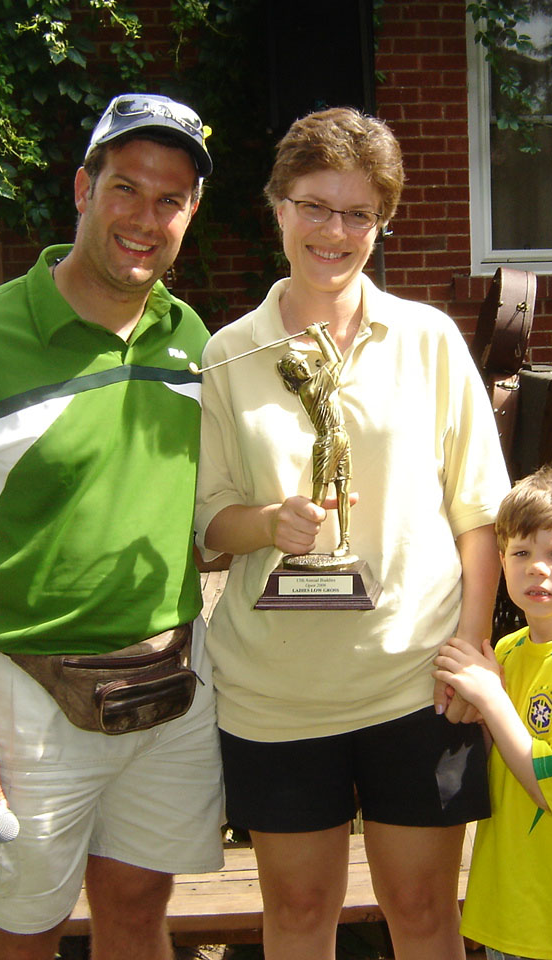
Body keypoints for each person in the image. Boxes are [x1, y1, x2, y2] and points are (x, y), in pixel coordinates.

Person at [0, 93, 224, 960]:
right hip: (22, 695)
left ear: (191, 213)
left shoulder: (192, 339)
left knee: (138, 911)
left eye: (170, 199)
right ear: (81, 189)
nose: (145, 219)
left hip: (167, 680)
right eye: (125, 188)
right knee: (23, 933)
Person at [194, 107, 511, 960]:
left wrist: (472, 648)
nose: (333, 232)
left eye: (358, 213)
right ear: (278, 206)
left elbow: (480, 509)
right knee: (298, 917)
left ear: (382, 223)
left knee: (424, 912)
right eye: (314, 206)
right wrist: (268, 523)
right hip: (276, 692)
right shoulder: (229, 354)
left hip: (417, 682)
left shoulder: (428, 340)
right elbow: (208, 521)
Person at [433, 466, 552, 960]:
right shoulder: (508, 650)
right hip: (505, 908)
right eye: (521, 553)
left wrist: (491, 698)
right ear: (501, 561)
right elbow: (493, 757)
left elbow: (547, 784)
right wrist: (472, 708)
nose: (537, 568)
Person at [275, 322, 352, 558]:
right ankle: (303, 544)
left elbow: (337, 359)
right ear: (292, 375)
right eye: (298, 367)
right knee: (319, 495)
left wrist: (324, 333)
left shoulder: (316, 382)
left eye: (303, 363)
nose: (304, 368)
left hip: (341, 436)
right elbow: (334, 361)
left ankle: (345, 542)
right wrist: (318, 335)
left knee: (343, 489)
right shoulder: (308, 388)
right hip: (327, 441)